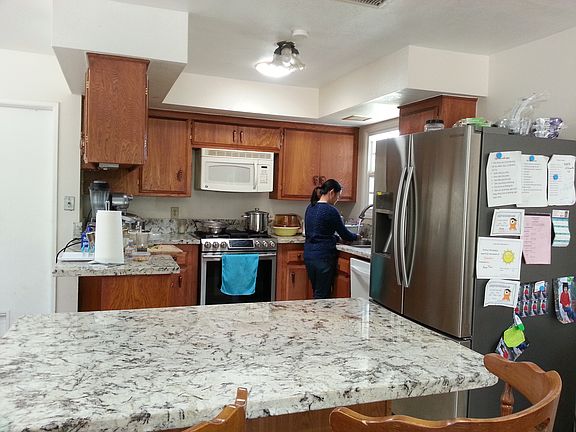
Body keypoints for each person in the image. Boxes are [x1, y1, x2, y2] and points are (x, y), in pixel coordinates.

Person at [304, 179, 360, 299]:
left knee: (317, 292)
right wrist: (357, 237)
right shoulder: (331, 211)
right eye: (338, 196)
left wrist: (334, 237)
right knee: (322, 296)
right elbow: (345, 235)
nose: (337, 199)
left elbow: (316, 232)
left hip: (309, 256)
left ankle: (315, 311)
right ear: (332, 192)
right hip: (323, 257)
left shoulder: (310, 207)